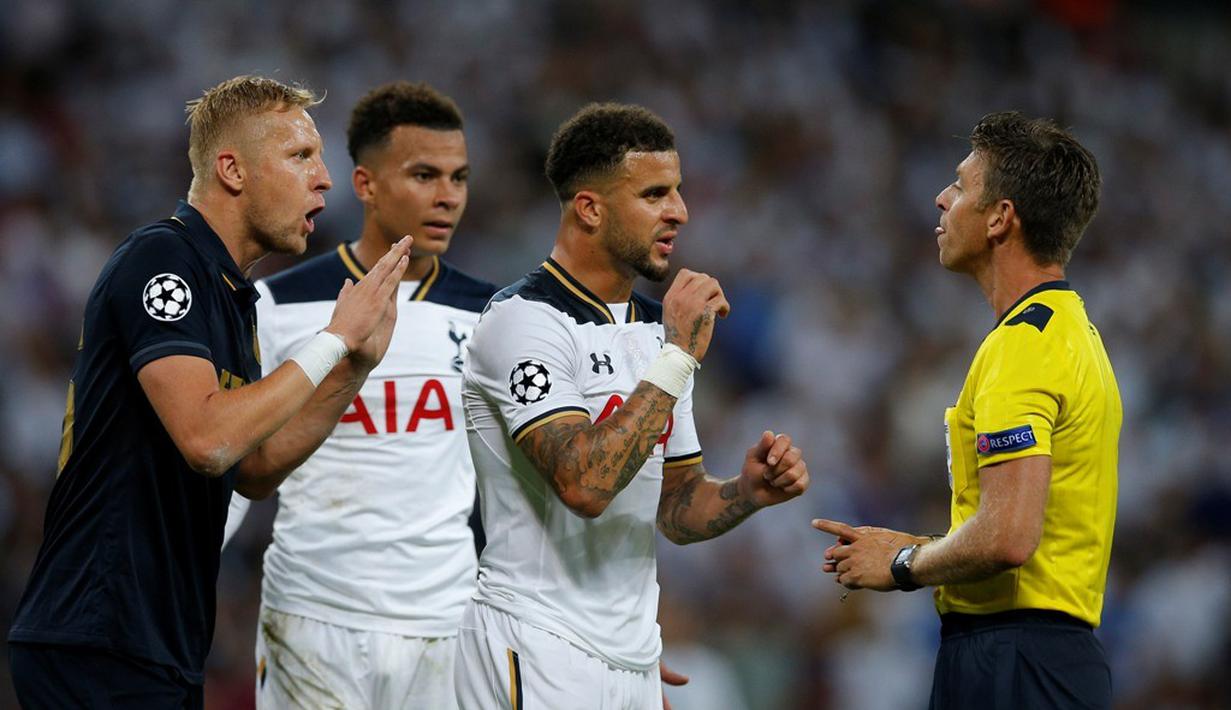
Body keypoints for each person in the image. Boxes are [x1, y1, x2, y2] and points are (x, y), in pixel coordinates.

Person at [7, 75, 411, 708]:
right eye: (301, 156)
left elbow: (250, 466)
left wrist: (352, 367)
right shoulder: (163, 263)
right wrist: (332, 337)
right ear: (232, 169)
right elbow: (208, 438)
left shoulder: (229, 297)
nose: (325, 179)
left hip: (156, 643)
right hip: (98, 636)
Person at [455, 102, 811, 709]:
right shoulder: (523, 323)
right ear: (590, 208)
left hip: (634, 657)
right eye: (654, 194)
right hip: (536, 646)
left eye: (678, 192)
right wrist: (677, 358)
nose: (680, 212)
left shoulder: (656, 329)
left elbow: (674, 507)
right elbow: (584, 486)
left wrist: (747, 493)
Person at [813, 111, 1120, 709]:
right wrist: (931, 543)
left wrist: (902, 563)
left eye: (959, 186)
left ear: (1001, 218)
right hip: (1043, 656)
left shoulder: (1022, 346)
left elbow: (1009, 537)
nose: (940, 198)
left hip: (1014, 662)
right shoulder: (1071, 332)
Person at [221, 81, 497, 709]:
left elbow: (523, 492)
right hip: (313, 616)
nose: (447, 196)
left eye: (459, 177)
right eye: (425, 175)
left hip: (446, 621)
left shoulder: (492, 315)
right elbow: (233, 463)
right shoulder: (279, 305)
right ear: (366, 184)